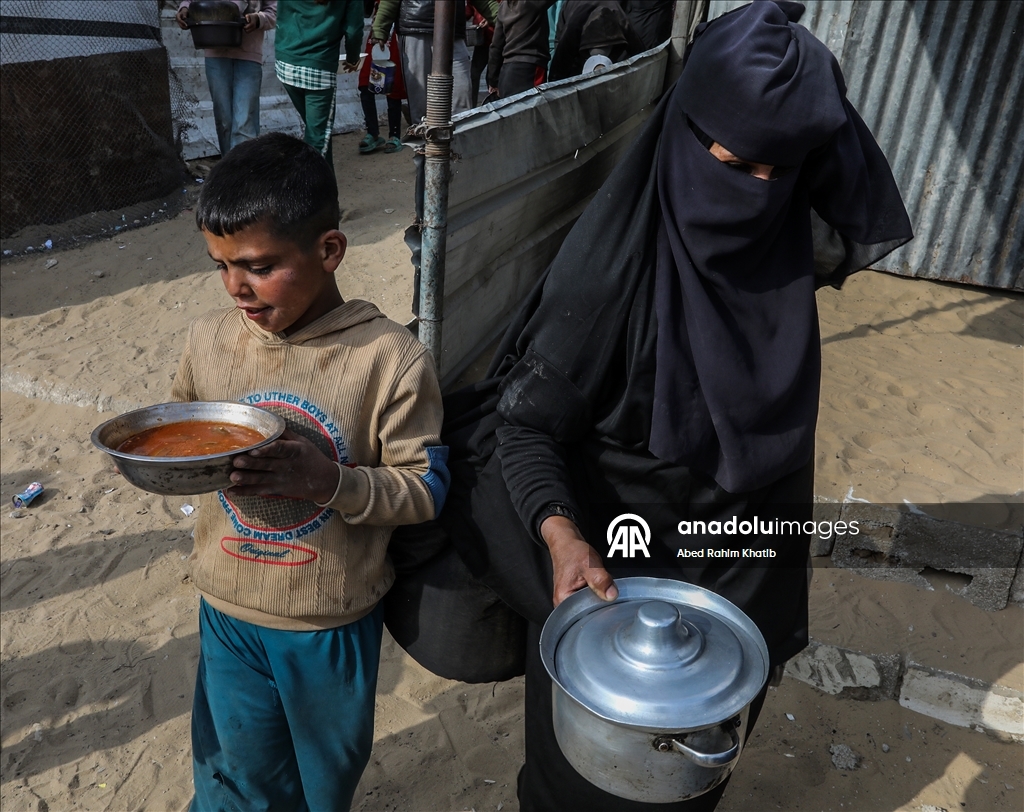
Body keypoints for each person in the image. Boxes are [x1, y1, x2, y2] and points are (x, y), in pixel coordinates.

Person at [433, 1, 913, 810]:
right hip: (612, 576)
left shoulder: (777, 267)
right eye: (731, 162)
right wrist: (562, 535)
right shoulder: (609, 282)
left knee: (694, 778)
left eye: (776, 173)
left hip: (742, 568)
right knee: (580, 787)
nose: (752, 194)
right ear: (684, 133)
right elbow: (523, 426)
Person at [172, 132, 449, 811]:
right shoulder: (209, 341)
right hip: (227, 606)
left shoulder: (390, 360)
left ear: (328, 251)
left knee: (321, 784)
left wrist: (331, 482)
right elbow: (179, 427)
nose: (237, 286)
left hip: (327, 622)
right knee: (233, 776)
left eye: (259, 266)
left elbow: (427, 488)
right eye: (221, 265)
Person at [175, 0, 277, 157]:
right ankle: (229, 171)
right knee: (224, 121)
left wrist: (259, 19)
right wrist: (185, 8)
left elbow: (275, 11)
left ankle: (244, 173)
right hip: (215, 52)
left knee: (244, 121)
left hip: (249, 56)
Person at [371, 0, 498, 125]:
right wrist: (380, 29)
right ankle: (424, 141)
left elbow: (486, 3)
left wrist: (505, 20)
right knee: (420, 99)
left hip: (452, 31)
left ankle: (459, 141)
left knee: (461, 94)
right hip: (415, 27)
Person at [274, 0, 364, 174]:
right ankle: (309, 195)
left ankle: (330, 198)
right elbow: (353, 29)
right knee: (317, 140)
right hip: (318, 69)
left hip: (286, 64)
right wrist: (353, 59)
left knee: (320, 132)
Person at [548, 0, 645, 80]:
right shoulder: (574, 25)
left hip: (611, 41)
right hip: (578, 45)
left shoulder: (615, 11)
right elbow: (561, 50)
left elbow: (637, 48)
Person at [358, 1, 407, 154]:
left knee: (393, 85)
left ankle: (394, 135)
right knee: (365, 82)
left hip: (395, 37)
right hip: (375, 37)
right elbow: (366, 11)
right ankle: (372, 133)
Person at [487, 0, 556, 99]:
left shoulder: (503, 6)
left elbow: (496, 47)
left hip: (506, 71)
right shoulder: (532, 3)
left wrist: (493, 80)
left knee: (510, 110)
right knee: (533, 108)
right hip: (530, 68)